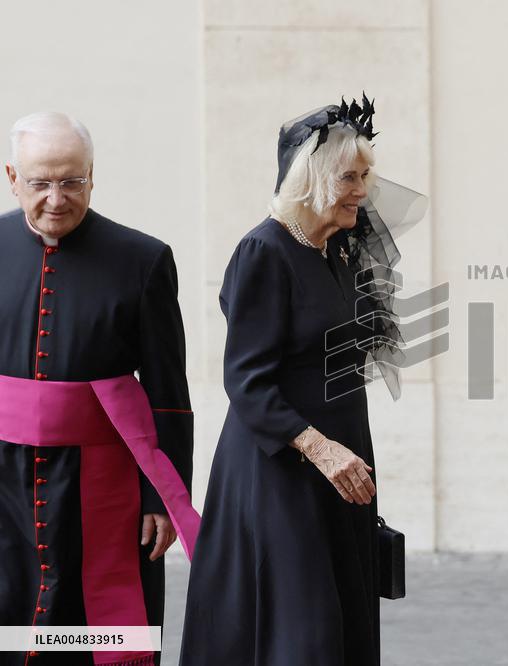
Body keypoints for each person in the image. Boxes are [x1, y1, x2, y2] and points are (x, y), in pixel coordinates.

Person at [180, 97, 415, 666]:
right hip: (281, 473)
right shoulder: (264, 251)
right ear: (310, 180)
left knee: (338, 625)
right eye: (349, 178)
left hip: (339, 466)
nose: (362, 190)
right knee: (301, 634)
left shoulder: (335, 251)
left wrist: (342, 454)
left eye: (365, 176)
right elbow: (247, 381)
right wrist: (321, 449)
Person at [0, 112, 198, 666]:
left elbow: (168, 390)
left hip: (101, 484)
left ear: (92, 177)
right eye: (41, 182)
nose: (56, 198)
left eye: (72, 181)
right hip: (6, 479)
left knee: (91, 635)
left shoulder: (142, 260)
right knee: (10, 621)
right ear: (13, 177)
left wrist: (163, 495)